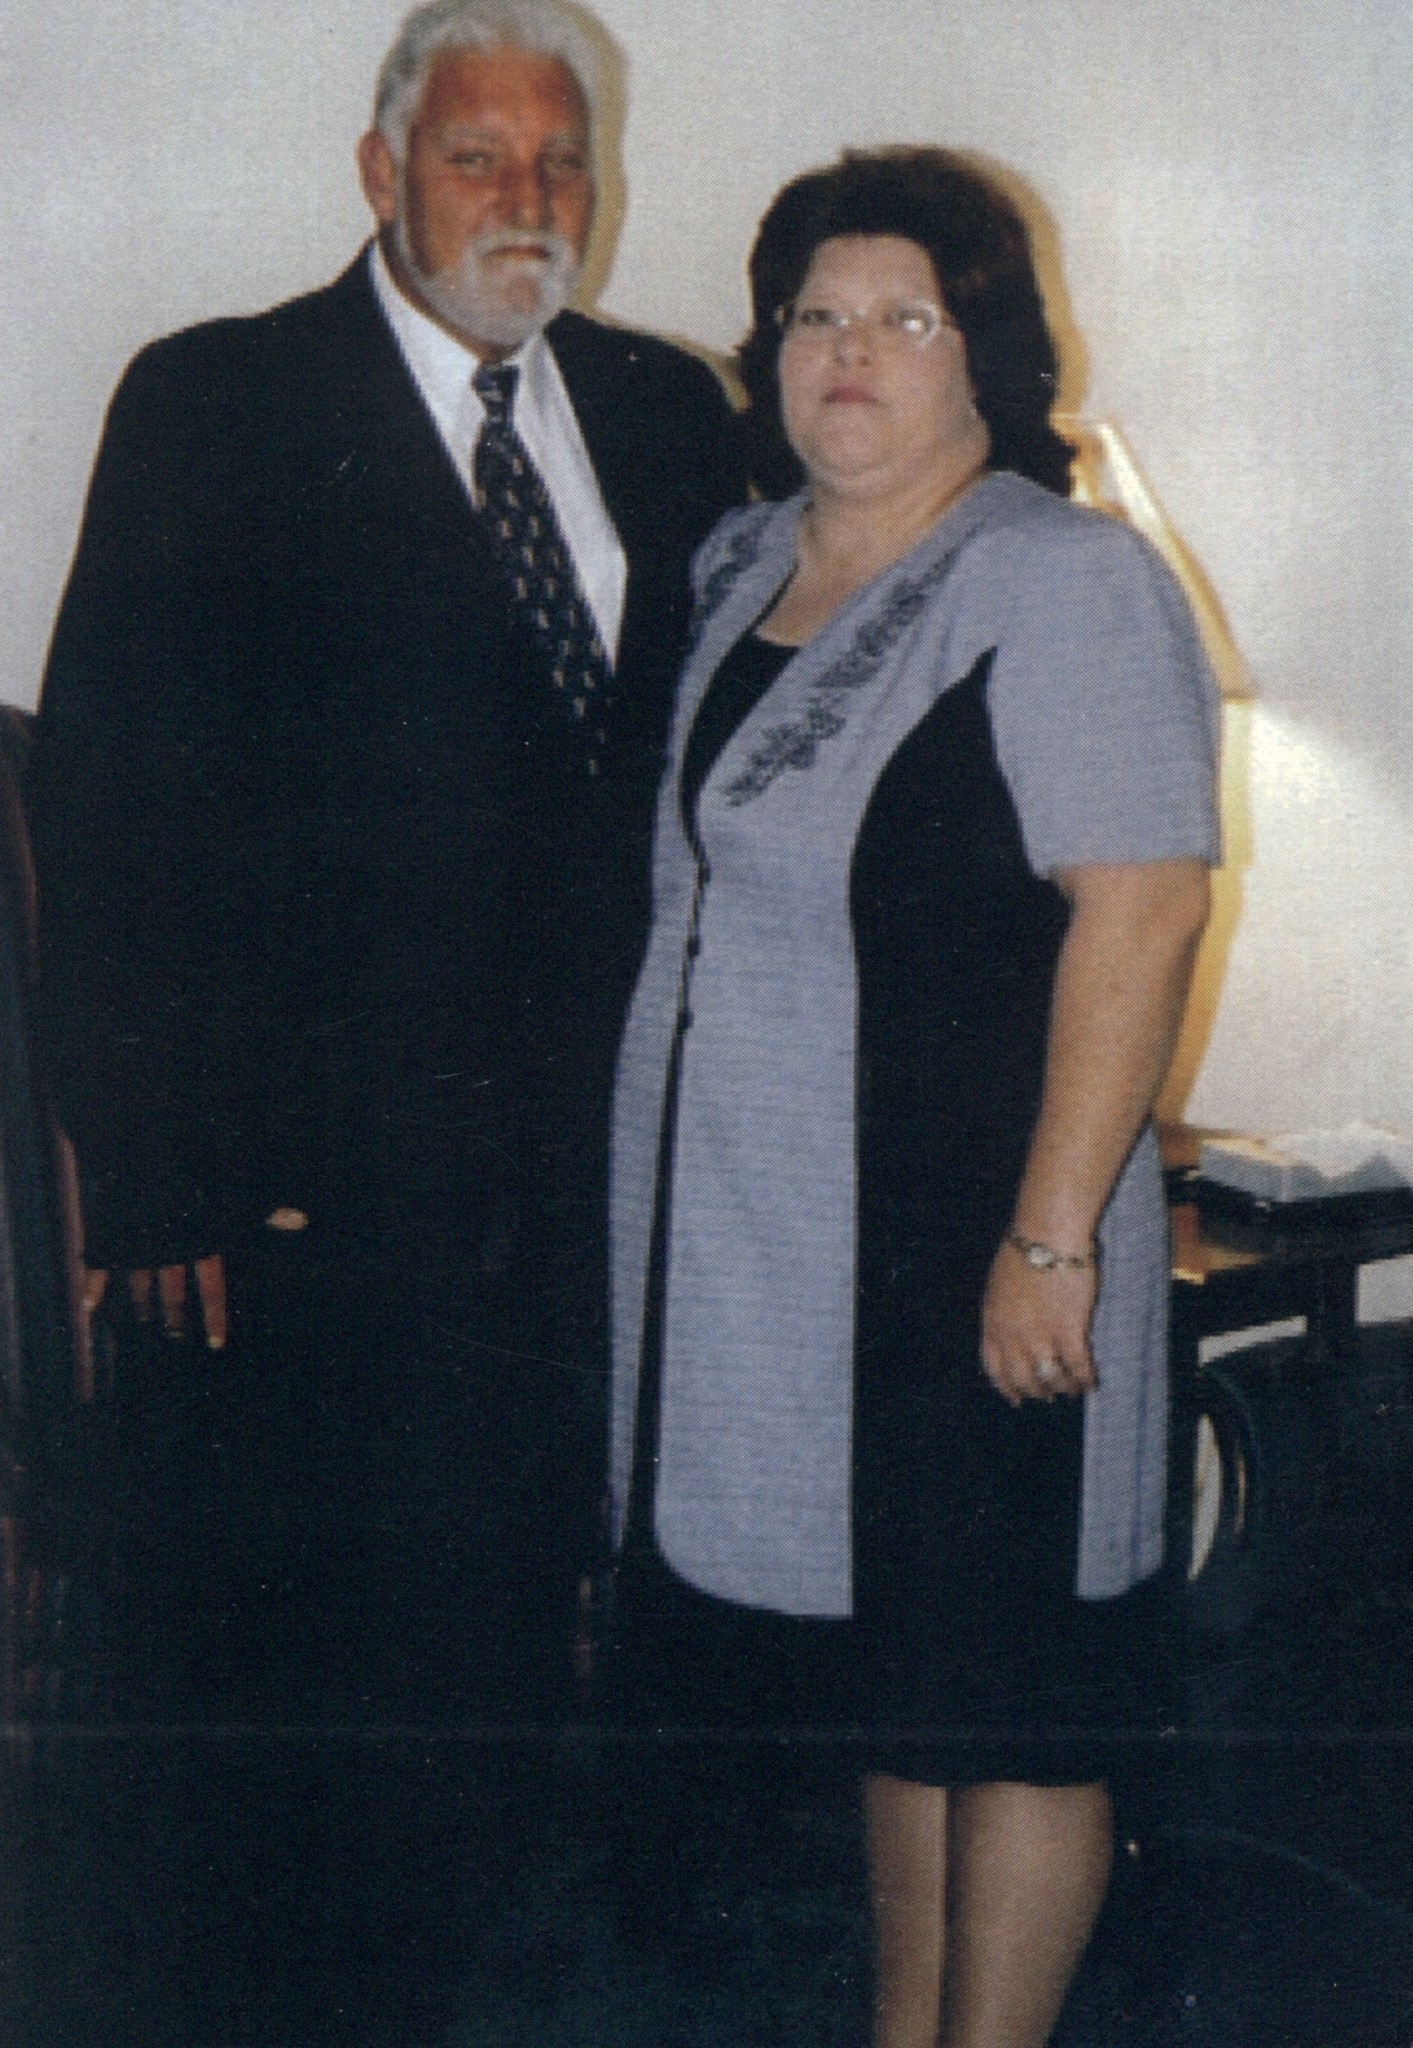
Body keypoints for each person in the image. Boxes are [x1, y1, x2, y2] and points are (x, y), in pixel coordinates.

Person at [28, 0, 742, 1722]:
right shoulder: (220, 403)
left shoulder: (665, 409)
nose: (529, 198)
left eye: (561, 161)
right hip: (306, 1199)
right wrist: (150, 1168)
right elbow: (108, 802)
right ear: (380, 170)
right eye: (476, 156)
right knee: (298, 1692)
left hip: (587, 1185)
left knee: (528, 1672)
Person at [607, 150, 1217, 2046]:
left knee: (1015, 1705)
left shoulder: (1065, 578)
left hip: (986, 1225)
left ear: (984, 356)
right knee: (904, 1685)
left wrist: (1051, 1240)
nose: (848, 353)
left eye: (903, 317)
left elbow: (1141, 909)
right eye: (814, 315)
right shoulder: (739, 565)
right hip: (804, 1249)